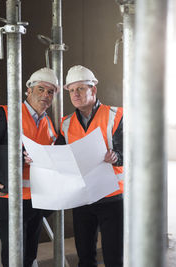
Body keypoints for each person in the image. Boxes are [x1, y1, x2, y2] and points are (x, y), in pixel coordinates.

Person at [0, 67, 58, 267]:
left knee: (29, 257)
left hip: (36, 200)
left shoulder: (49, 123)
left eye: (50, 92)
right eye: (41, 89)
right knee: (13, 258)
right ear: (29, 90)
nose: (45, 95)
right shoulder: (6, 115)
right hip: (10, 199)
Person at [58, 65, 124, 267]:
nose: (75, 94)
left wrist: (116, 156)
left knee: (114, 257)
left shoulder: (115, 116)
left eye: (80, 89)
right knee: (85, 257)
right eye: (71, 90)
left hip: (112, 198)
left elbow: (132, 151)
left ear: (93, 90)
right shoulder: (66, 123)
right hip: (83, 199)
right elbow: (59, 155)